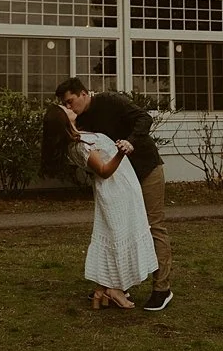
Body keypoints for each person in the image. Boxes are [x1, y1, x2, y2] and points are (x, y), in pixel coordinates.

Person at [55, 77, 173, 312]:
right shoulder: (79, 121)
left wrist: (130, 142)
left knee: (153, 226)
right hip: (119, 181)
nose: (69, 108)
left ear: (84, 93)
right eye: (65, 105)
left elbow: (144, 118)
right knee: (120, 230)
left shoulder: (111, 101)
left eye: (70, 102)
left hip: (145, 170)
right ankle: (117, 285)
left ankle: (162, 289)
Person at [40, 103, 157, 309]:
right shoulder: (78, 146)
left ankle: (104, 290)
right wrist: (122, 152)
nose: (69, 107)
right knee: (118, 237)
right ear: (63, 119)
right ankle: (115, 289)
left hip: (124, 185)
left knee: (121, 235)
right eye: (64, 108)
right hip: (114, 192)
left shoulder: (82, 135)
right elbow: (103, 170)